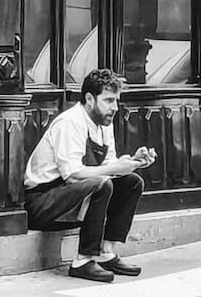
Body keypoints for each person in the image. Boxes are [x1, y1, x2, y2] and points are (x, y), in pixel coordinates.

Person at [23, 68, 153, 282]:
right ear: (90, 99)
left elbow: (109, 165)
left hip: (73, 197)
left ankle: (106, 252)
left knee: (132, 182)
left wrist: (131, 162)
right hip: (43, 203)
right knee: (101, 184)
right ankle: (83, 260)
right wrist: (114, 169)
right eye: (108, 100)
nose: (115, 107)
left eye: (116, 101)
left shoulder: (104, 122)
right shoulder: (70, 122)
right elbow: (73, 174)